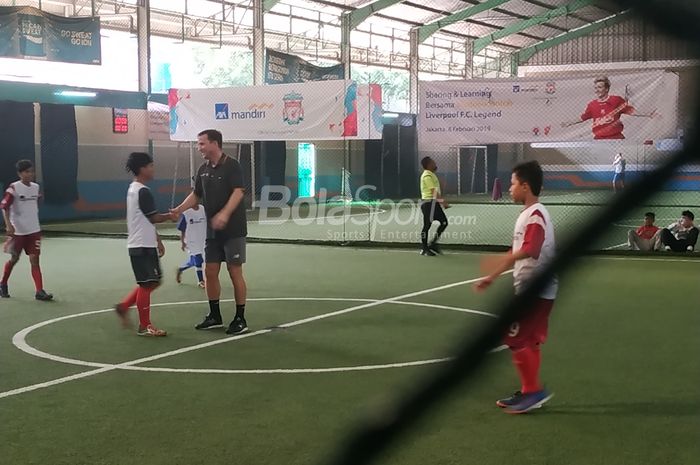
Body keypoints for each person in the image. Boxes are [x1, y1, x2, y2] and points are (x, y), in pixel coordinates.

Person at [475, 160, 556, 414]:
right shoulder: (529, 214)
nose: (509, 189)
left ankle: (533, 392)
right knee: (529, 341)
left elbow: (531, 249)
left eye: (512, 184)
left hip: (536, 290)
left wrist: (504, 259)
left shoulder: (536, 214)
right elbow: (517, 250)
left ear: (525, 185)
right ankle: (529, 391)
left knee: (512, 336)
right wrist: (493, 275)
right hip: (535, 289)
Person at [171, 129, 249, 335]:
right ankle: (215, 315)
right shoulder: (203, 169)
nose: (199, 148)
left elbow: (238, 191)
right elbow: (196, 196)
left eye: (202, 144)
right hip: (212, 232)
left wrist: (224, 214)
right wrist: (179, 209)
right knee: (209, 271)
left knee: (234, 272)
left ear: (215, 144)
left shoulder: (233, 166)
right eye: (198, 144)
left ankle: (240, 318)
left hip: (234, 230)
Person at [114, 153, 170, 337]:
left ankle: (124, 306)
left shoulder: (133, 189)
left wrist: (157, 239)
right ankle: (145, 325)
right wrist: (171, 215)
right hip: (141, 246)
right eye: (150, 165)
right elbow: (154, 217)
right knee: (148, 284)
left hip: (142, 244)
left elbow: (144, 220)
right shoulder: (142, 191)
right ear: (142, 169)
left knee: (152, 281)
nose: (153, 169)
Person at [0, 160, 53, 300]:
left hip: (34, 230)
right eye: (26, 171)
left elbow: (34, 203)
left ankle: (39, 291)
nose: (30, 174)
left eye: (31, 171)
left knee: (35, 259)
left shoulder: (35, 187)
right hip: (18, 232)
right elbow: (4, 207)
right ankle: (3, 284)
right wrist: (8, 225)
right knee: (14, 258)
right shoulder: (13, 188)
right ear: (20, 173)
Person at [561, 76, 656, 140]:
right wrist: (568, 123)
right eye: (595, 88)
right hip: (599, 140)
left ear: (606, 89)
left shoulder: (616, 100)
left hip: (616, 139)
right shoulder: (592, 105)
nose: (597, 90)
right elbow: (582, 118)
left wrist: (648, 114)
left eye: (599, 87)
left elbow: (631, 111)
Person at [419, 156, 449, 256]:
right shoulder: (427, 175)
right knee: (427, 226)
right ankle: (424, 248)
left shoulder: (431, 175)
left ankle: (433, 243)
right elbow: (433, 191)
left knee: (444, 222)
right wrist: (443, 202)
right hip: (428, 204)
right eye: (433, 162)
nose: (435, 164)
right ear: (428, 165)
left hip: (434, 204)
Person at [176, 204, 207, 288]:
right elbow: (182, 230)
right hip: (191, 241)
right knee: (198, 259)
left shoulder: (203, 209)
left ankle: (181, 269)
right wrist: (182, 242)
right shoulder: (186, 212)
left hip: (202, 239)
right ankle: (201, 281)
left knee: (196, 261)